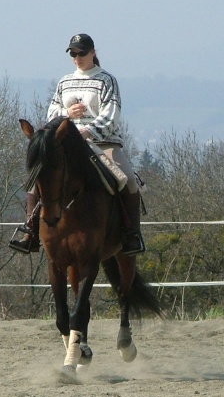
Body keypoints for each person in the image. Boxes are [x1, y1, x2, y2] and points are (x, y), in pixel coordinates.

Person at [10, 33, 145, 255]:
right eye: (73, 53)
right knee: (38, 177)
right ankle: (30, 232)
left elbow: (111, 114)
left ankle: (132, 235)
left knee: (128, 179)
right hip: (69, 144)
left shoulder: (106, 80)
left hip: (103, 142)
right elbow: (52, 114)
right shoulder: (65, 82)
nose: (77, 57)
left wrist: (87, 131)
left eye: (81, 53)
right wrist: (67, 113)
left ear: (93, 52)